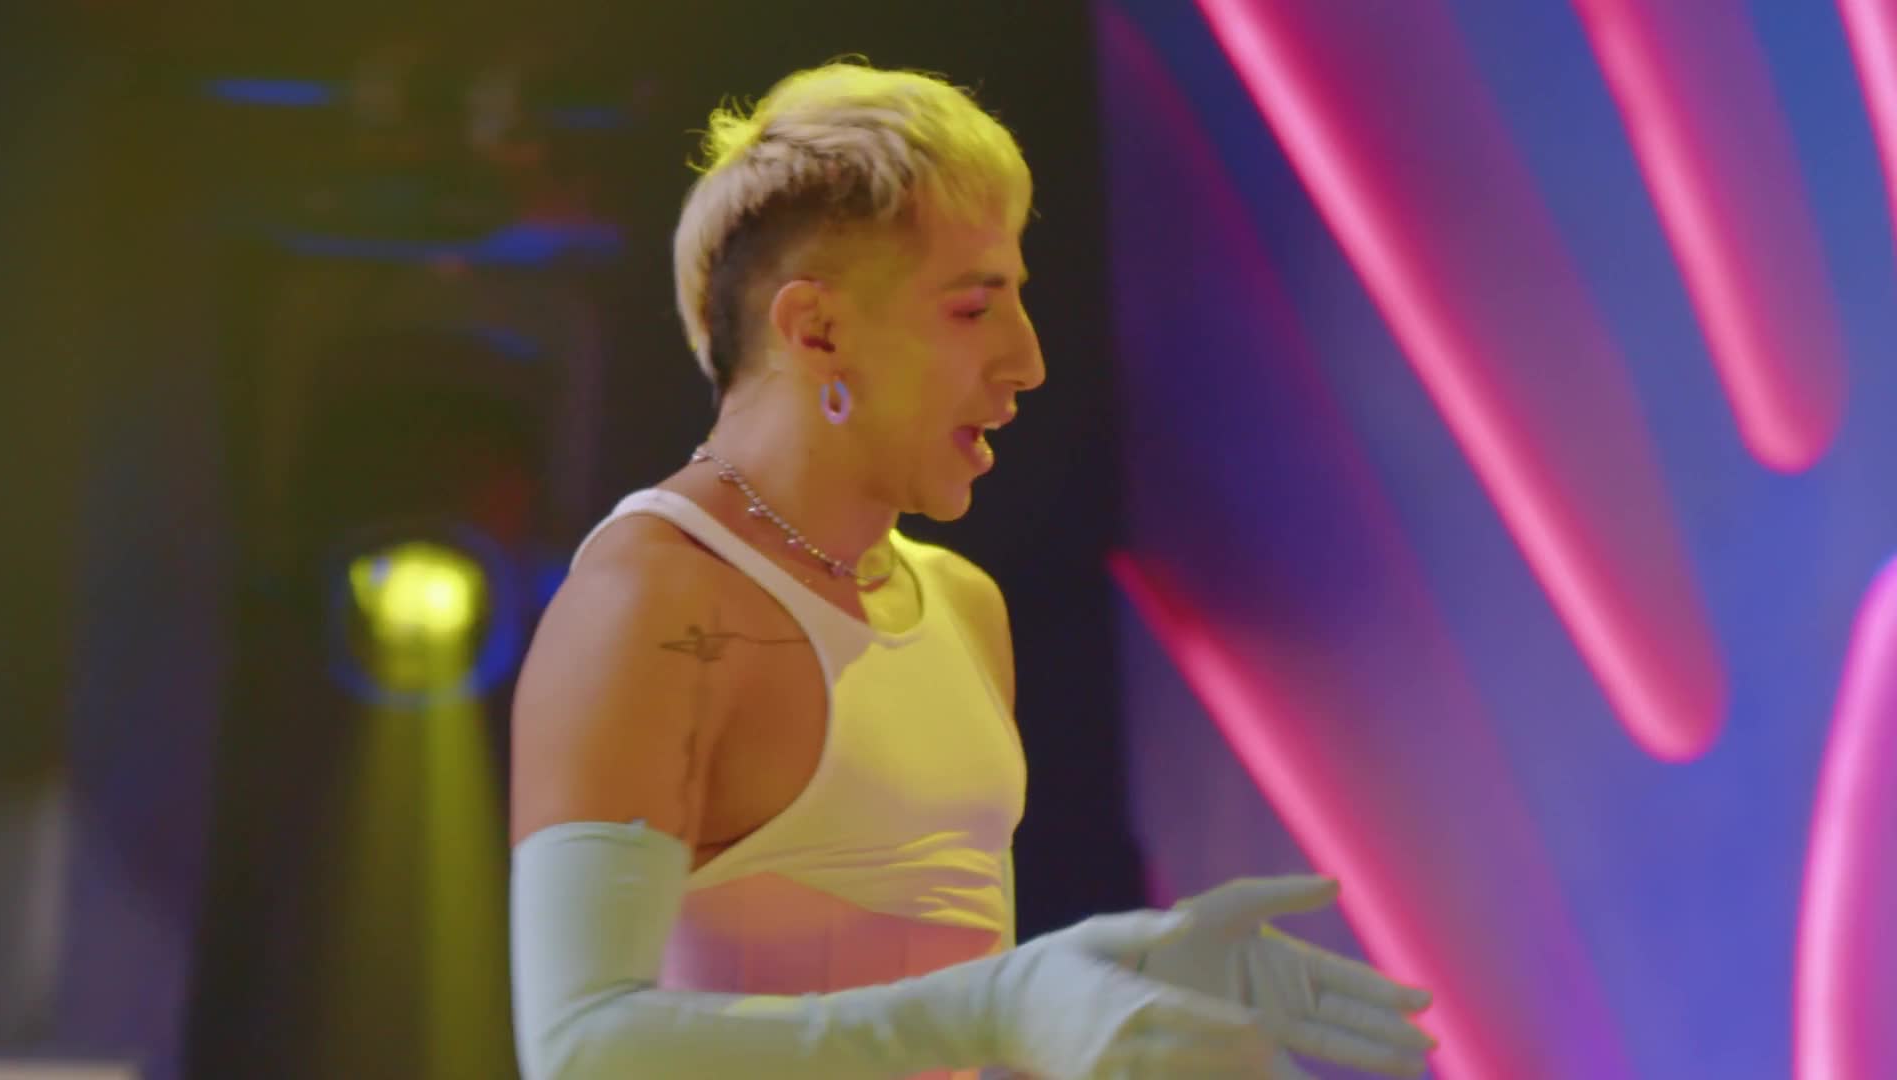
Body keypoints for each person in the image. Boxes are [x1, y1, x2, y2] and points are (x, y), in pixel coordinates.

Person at [507, 61, 1437, 1079]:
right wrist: (1001, 1006)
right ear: (817, 330)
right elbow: (578, 1051)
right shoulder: (652, 598)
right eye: (972, 309)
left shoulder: (960, 604)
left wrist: (1117, 993)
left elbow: (949, 1028)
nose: (1027, 361)